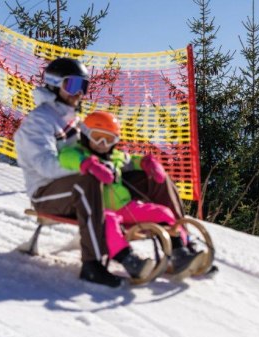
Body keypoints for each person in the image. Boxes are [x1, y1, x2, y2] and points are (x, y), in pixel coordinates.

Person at [58, 110, 205, 280]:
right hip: (97, 209)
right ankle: (129, 260)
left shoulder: (115, 157)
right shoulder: (79, 153)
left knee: (163, 213)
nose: (102, 143)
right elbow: (65, 157)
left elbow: (132, 160)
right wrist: (87, 164)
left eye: (109, 139)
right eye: (97, 136)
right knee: (109, 223)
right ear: (85, 134)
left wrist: (147, 162)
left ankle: (180, 251)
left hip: (125, 207)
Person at [14, 57, 121, 287]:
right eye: (71, 85)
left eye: (83, 87)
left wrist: (118, 164)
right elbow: (45, 164)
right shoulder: (39, 121)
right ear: (54, 84)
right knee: (87, 184)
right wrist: (84, 166)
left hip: (71, 187)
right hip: (45, 193)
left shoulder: (73, 119)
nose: (78, 93)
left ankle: (179, 244)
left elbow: (95, 151)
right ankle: (92, 265)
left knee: (132, 175)